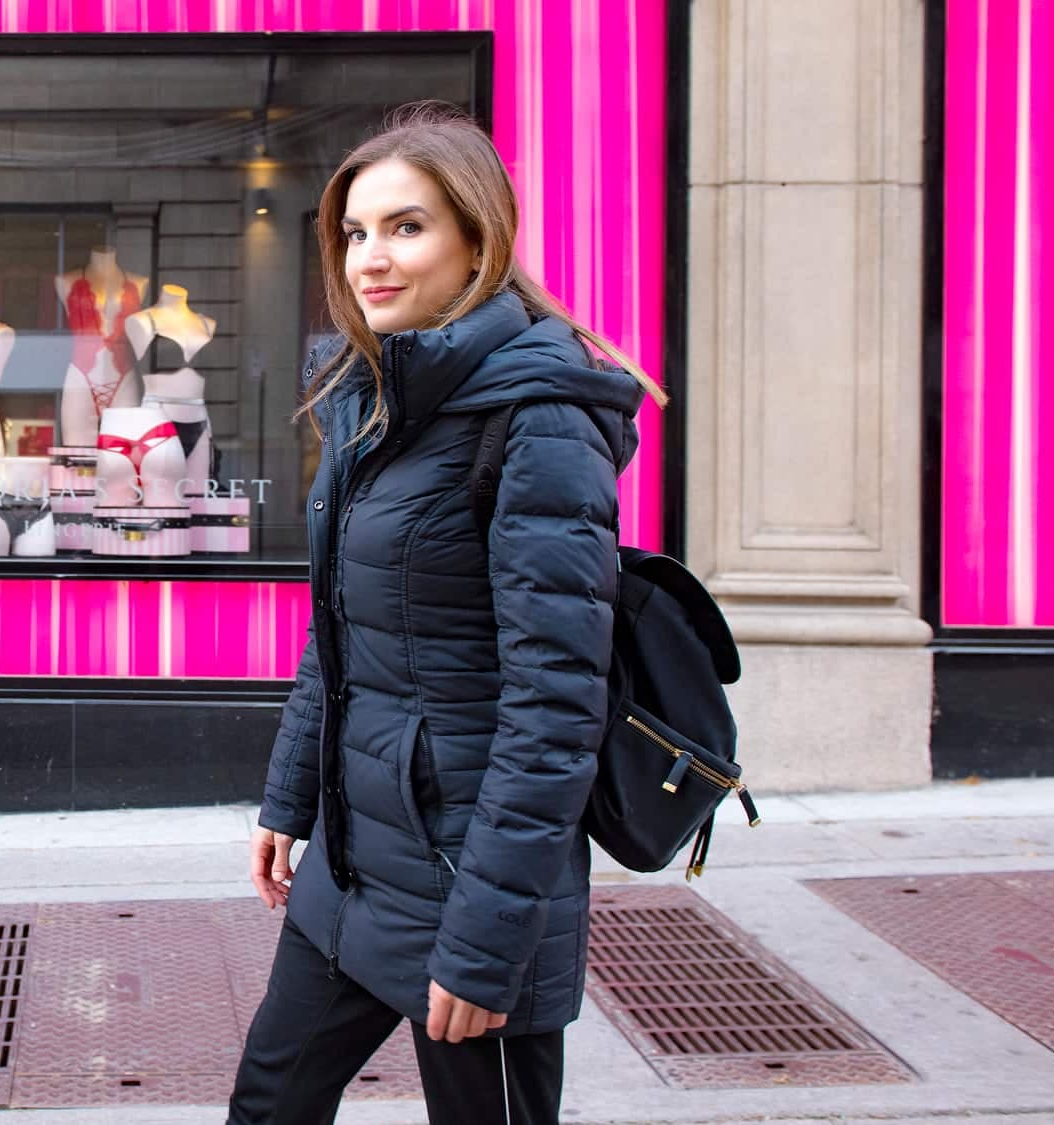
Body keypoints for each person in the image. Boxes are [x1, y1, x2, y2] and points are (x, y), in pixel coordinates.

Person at [227, 101, 666, 1125]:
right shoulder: (366, 400)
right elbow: (336, 637)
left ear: (479, 238)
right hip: (352, 859)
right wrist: (287, 804)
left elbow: (555, 708)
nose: (368, 258)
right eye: (353, 232)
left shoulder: (538, 418)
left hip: (471, 875)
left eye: (405, 226)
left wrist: (483, 945)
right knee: (268, 1103)